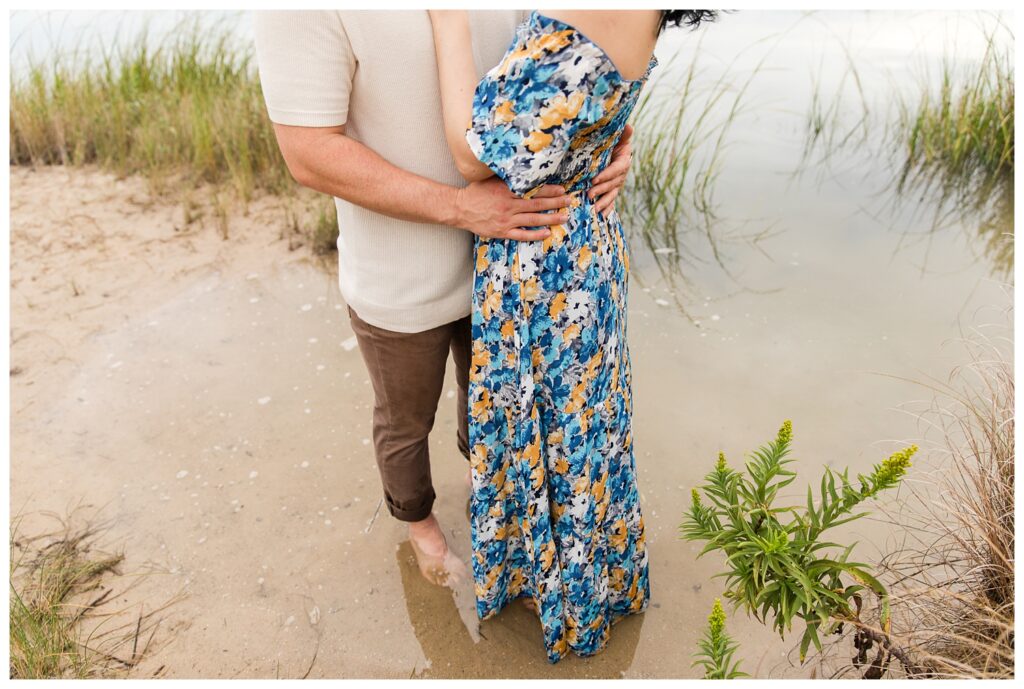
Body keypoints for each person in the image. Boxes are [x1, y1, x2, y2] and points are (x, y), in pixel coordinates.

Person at [252, 11, 635, 586]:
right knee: (405, 421)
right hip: (401, 274)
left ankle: (481, 493)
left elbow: (566, 67)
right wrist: (460, 208)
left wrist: (613, 140)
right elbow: (308, 152)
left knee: (493, 406)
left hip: (515, 268)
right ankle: (421, 524)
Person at [428, 9, 718, 662]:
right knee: (581, 430)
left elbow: (470, 154)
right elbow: (593, 99)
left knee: (559, 431)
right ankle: (581, 584)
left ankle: (564, 600)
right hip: (580, 244)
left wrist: (446, 23)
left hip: (546, 266)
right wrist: (617, 138)